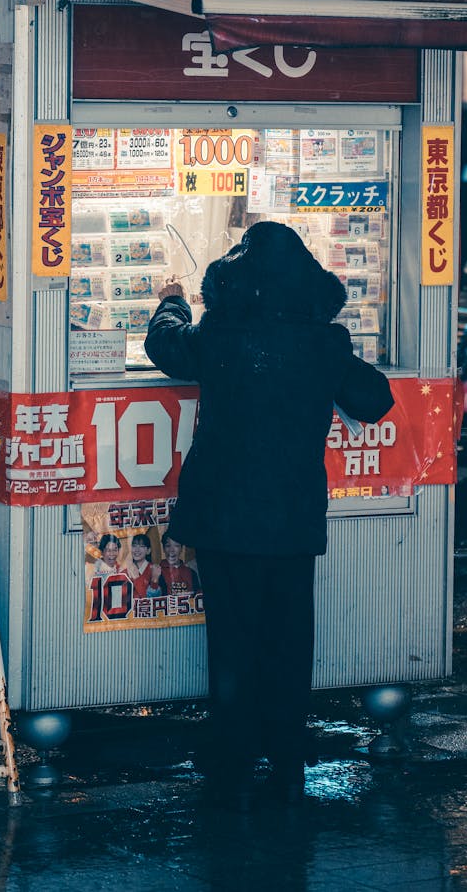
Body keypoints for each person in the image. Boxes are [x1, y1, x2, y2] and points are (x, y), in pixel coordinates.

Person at [144, 220, 394, 809]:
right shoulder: (322, 341)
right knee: (288, 639)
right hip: (291, 518)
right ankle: (285, 751)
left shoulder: (220, 332)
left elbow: (165, 346)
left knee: (232, 639)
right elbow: (376, 399)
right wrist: (332, 357)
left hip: (225, 516)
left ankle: (231, 754)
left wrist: (170, 302)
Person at [159, 531, 200, 596]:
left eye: (176, 545)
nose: (172, 550)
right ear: (163, 549)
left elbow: (198, 594)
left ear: (181, 548)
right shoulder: (157, 572)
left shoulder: (191, 572)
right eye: (168, 546)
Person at [127, 532, 166, 599]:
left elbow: (160, 597)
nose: (137, 550)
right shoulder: (126, 571)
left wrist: (154, 580)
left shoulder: (156, 570)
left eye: (141, 546)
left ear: (148, 550)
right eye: (134, 545)